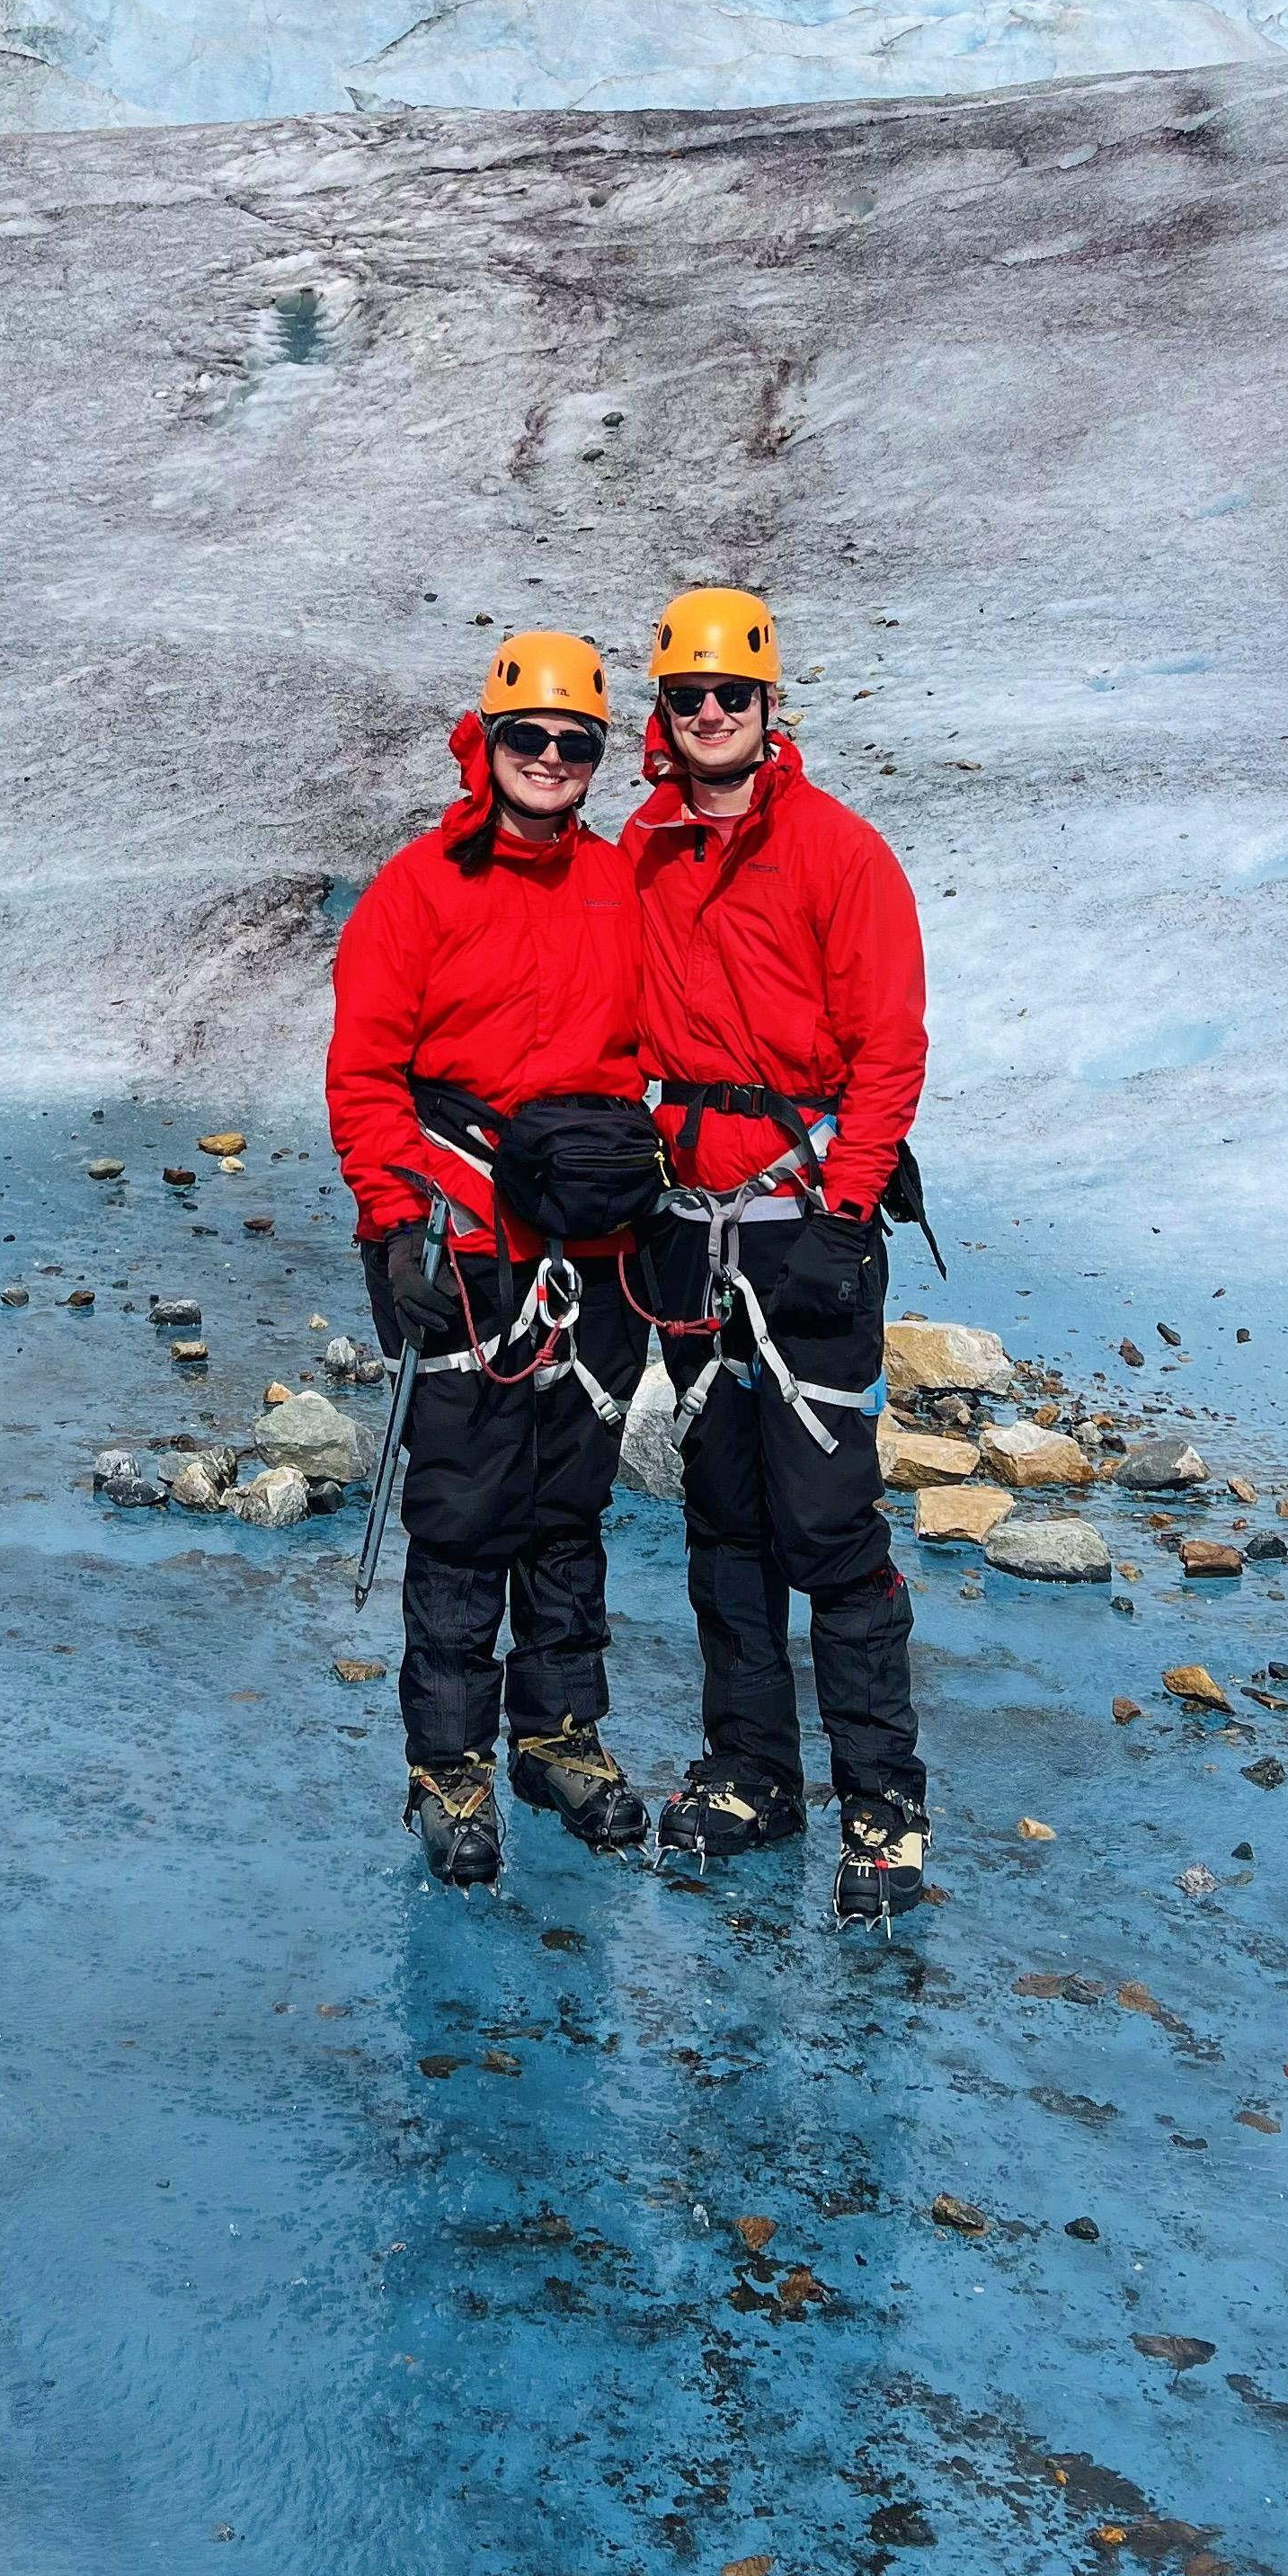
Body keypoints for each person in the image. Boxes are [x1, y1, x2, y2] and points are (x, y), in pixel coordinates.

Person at [621, 583, 936, 1923]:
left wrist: (849, 1214)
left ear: (766, 708)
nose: (709, 716)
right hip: (690, 1231)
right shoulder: (639, 851)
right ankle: (754, 1775)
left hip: (807, 1223)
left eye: (730, 698)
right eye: (688, 699)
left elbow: (889, 1050)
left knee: (828, 1523)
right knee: (723, 1519)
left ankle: (884, 1804)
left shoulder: (837, 853)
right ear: (663, 714)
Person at [324, 631, 659, 1889]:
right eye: (532, 738)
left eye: (577, 744)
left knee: (569, 1507)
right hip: (455, 1238)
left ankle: (558, 1736)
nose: (554, 760)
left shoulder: (619, 883)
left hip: (592, 1241)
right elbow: (363, 1073)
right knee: (464, 1512)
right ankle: (450, 1765)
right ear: (491, 741)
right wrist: (391, 1216)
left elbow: (660, 1052)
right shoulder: (418, 890)